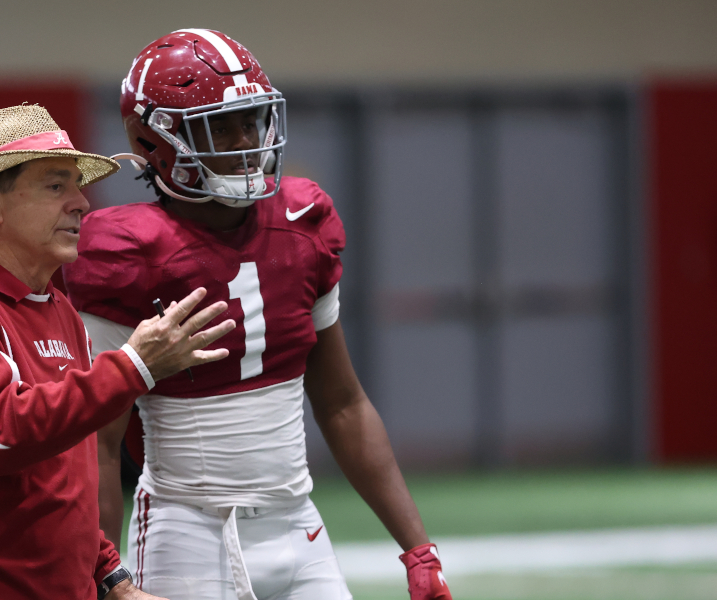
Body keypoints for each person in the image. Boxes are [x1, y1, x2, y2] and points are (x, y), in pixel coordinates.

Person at [63, 30, 452, 600]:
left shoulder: (301, 224)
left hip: (301, 527)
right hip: (186, 531)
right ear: (151, 140)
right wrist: (103, 576)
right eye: (217, 126)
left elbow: (342, 402)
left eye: (250, 121)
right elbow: (97, 443)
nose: (244, 142)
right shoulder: (126, 251)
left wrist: (418, 547)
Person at [0, 104, 236, 600]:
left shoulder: (59, 311)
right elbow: (2, 438)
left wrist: (111, 577)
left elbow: (57, 478)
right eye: (56, 186)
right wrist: (133, 366)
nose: (81, 204)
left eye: (76, 184)